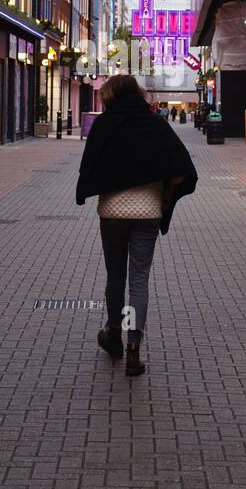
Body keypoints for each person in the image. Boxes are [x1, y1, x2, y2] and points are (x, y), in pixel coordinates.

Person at [76, 75, 197, 377]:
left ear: (110, 95)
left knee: (115, 276)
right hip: (148, 211)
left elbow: (88, 164)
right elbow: (182, 166)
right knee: (139, 279)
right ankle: (134, 348)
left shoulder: (105, 124)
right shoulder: (155, 124)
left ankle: (113, 334)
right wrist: (166, 196)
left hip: (113, 213)